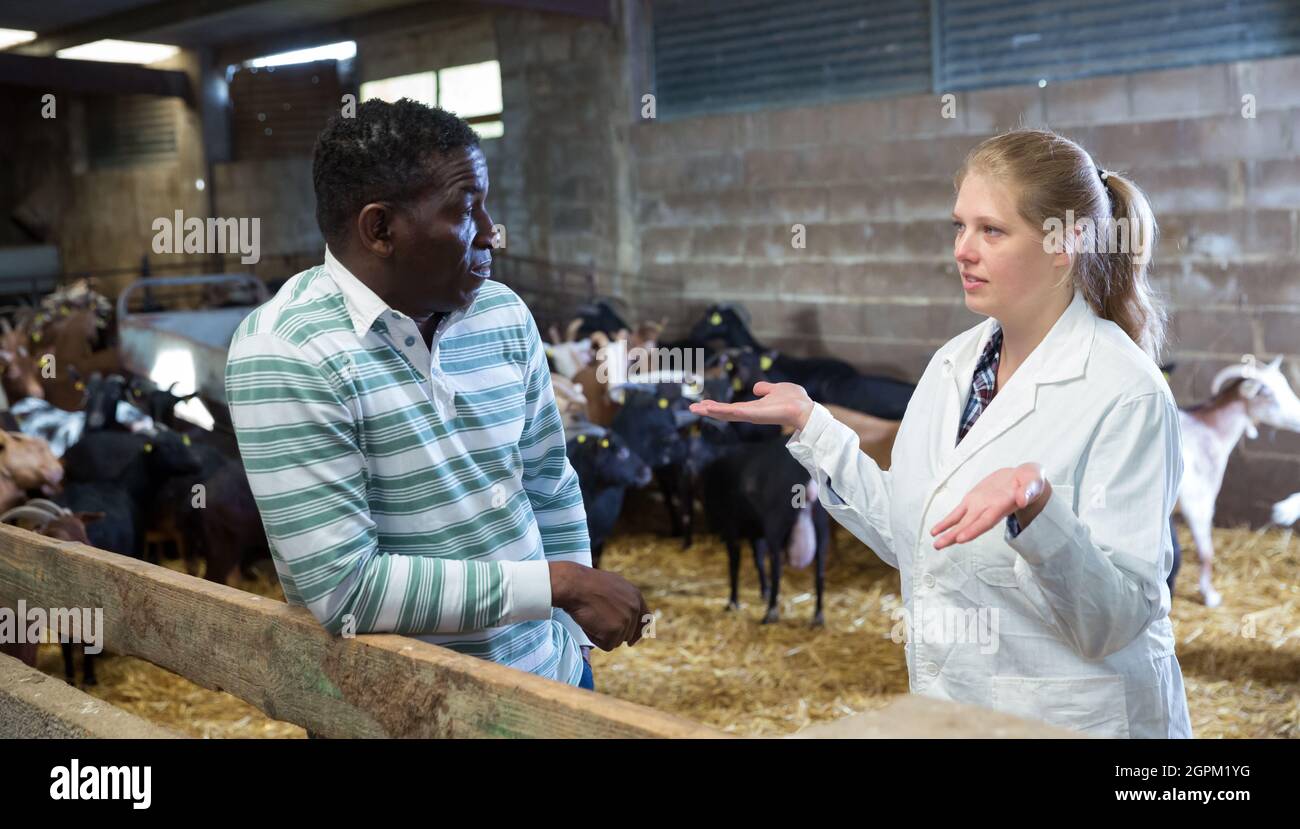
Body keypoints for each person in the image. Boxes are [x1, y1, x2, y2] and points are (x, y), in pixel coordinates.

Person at [691, 128, 1192, 738]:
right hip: (957, 713)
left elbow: (1113, 622)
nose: (963, 249)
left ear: (1067, 242)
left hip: (1078, 724)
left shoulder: (1125, 390)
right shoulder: (954, 365)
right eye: (959, 226)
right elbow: (920, 539)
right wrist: (812, 426)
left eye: (992, 230)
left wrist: (1037, 511)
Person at [225, 99, 647, 690]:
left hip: (549, 678)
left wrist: (570, 640)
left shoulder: (501, 313)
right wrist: (560, 585)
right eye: (466, 209)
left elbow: (549, 479)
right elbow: (346, 589)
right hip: (407, 711)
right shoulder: (287, 352)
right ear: (381, 230)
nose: (491, 231)